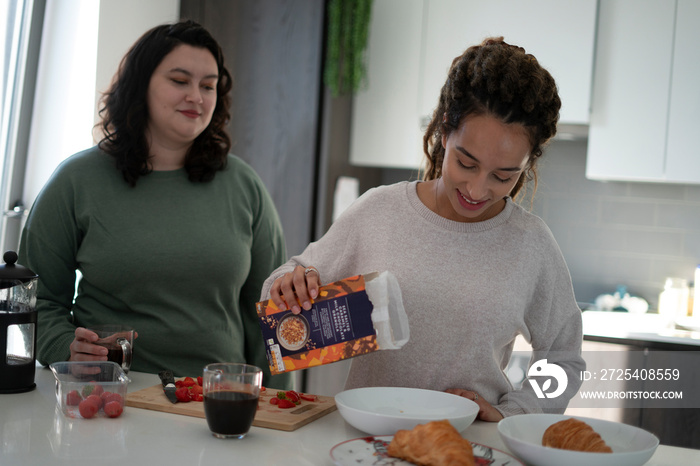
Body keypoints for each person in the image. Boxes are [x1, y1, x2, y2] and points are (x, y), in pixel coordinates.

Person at [260, 37, 585, 419]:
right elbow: (282, 289)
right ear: (445, 131)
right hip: (366, 441)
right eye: (466, 163)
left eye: (503, 176)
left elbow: (565, 361)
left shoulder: (531, 244)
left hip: (468, 449)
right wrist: (290, 282)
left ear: (527, 164)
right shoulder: (379, 210)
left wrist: (514, 412)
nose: (478, 189)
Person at [19, 20, 291, 389]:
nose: (196, 96)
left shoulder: (244, 185)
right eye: (180, 81)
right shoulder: (75, 180)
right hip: (109, 397)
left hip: (217, 405)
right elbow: (36, 300)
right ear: (140, 86)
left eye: (208, 86)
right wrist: (64, 347)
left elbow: (269, 313)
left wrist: (275, 408)